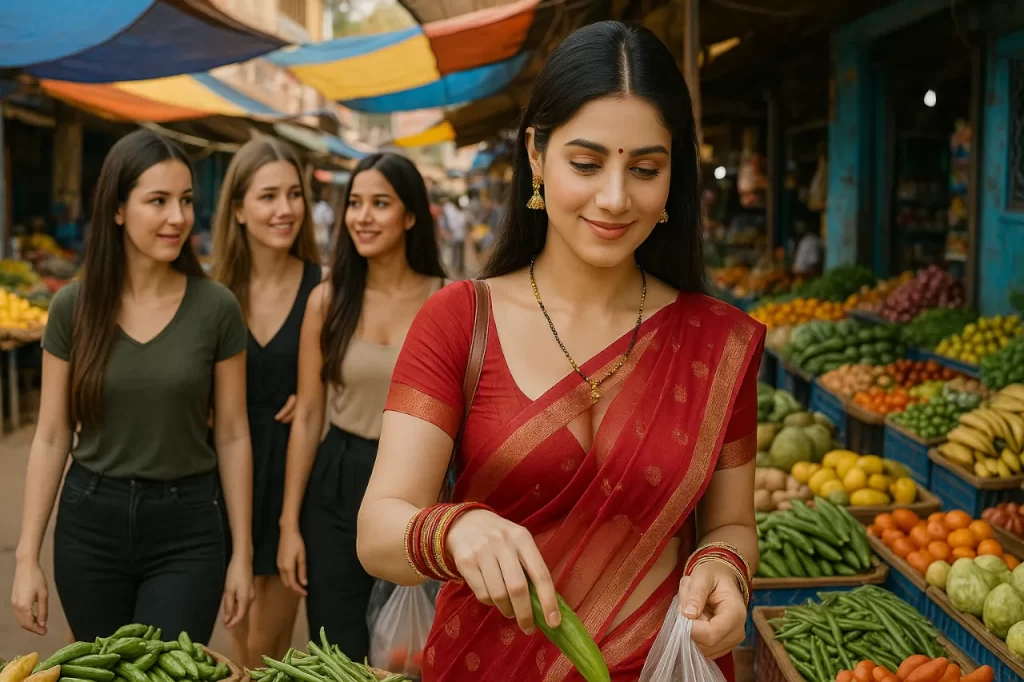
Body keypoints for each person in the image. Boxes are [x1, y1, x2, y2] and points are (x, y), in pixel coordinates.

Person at [356, 21, 763, 682]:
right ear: (536, 156)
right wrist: (454, 532)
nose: (613, 197)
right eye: (585, 162)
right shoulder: (460, 319)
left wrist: (724, 569)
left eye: (645, 169)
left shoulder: (716, 344)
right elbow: (378, 530)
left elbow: (732, 525)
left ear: (672, 177)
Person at [11, 129, 254, 643]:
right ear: (118, 209)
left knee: (168, 673)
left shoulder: (216, 308)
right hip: (89, 527)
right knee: (105, 671)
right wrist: (26, 557)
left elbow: (232, 434)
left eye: (186, 201)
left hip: (188, 530)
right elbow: (52, 435)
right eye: (158, 201)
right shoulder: (72, 309)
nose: (178, 218)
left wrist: (243, 554)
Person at [277, 152, 448, 660]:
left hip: (421, 485)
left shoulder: (450, 299)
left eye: (380, 203)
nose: (363, 217)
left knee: (411, 653)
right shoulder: (327, 300)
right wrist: (289, 526)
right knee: (336, 648)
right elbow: (308, 415)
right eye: (355, 203)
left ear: (411, 216)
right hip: (337, 479)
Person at [211, 137, 322, 666]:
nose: (285, 210)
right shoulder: (211, 293)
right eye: (268, 196)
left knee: (266, 650)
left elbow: (368, 369)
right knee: (237, 648)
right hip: (222, 482)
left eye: (294, 194)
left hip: (294, 481)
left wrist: (319, 391)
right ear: (237, 209)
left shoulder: (325, 288)